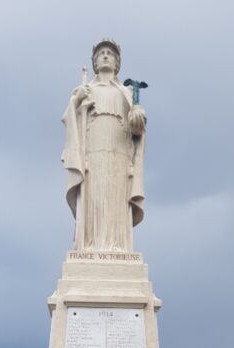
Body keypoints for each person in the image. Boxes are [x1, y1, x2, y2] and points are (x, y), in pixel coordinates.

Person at [61, 39, 145, 253]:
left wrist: (137, 119)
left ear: (117, 63)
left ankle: (118, 246)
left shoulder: (125, 92)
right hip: (93, 154)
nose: (106, 56)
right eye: (101, 54)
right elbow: (69, 120)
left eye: (110, 53)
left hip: (120, 154)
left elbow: (137, 130)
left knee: (116, 199)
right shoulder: (85, 90)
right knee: (96, 198)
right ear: (95, 63)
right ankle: (91, 245)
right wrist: (77, 103)